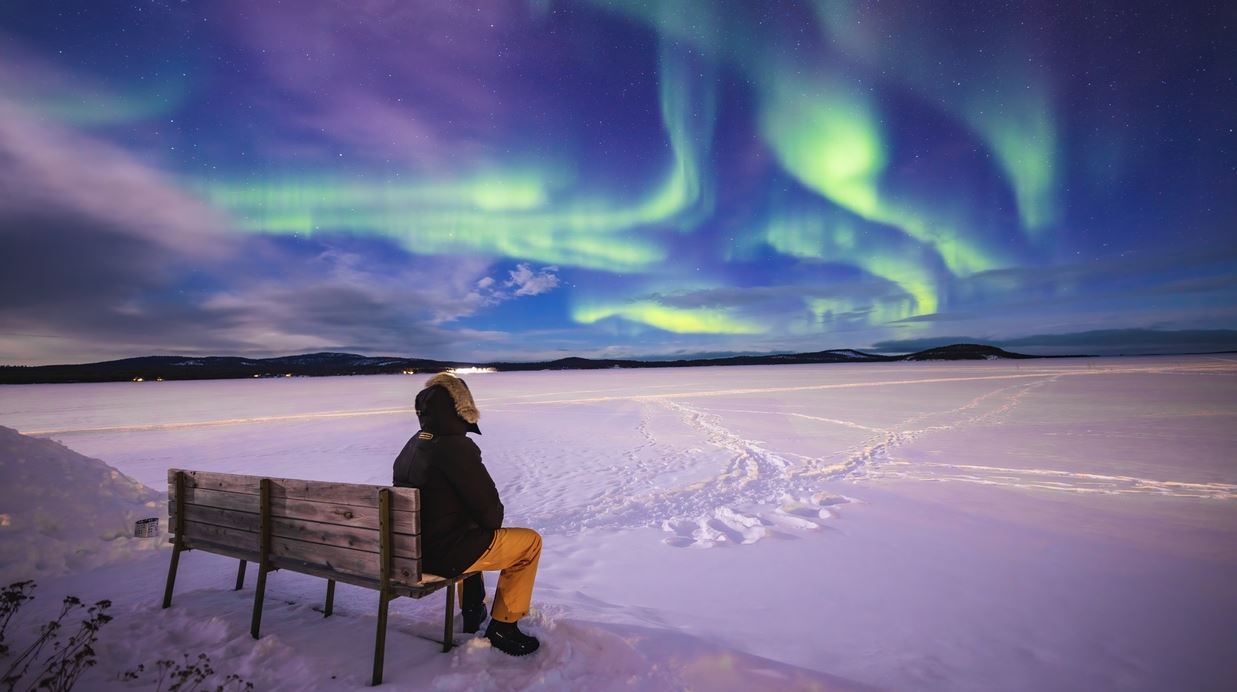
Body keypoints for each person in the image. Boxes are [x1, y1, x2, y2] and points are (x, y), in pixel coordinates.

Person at [392, 372, 542, 656]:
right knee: (529, 543)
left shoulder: (412, 445)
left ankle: (473, 611)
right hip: (441, 555)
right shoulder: (456, 447)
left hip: (410, 548)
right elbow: (490, 514)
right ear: (461, 408)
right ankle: (504, 627)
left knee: (469, 532)